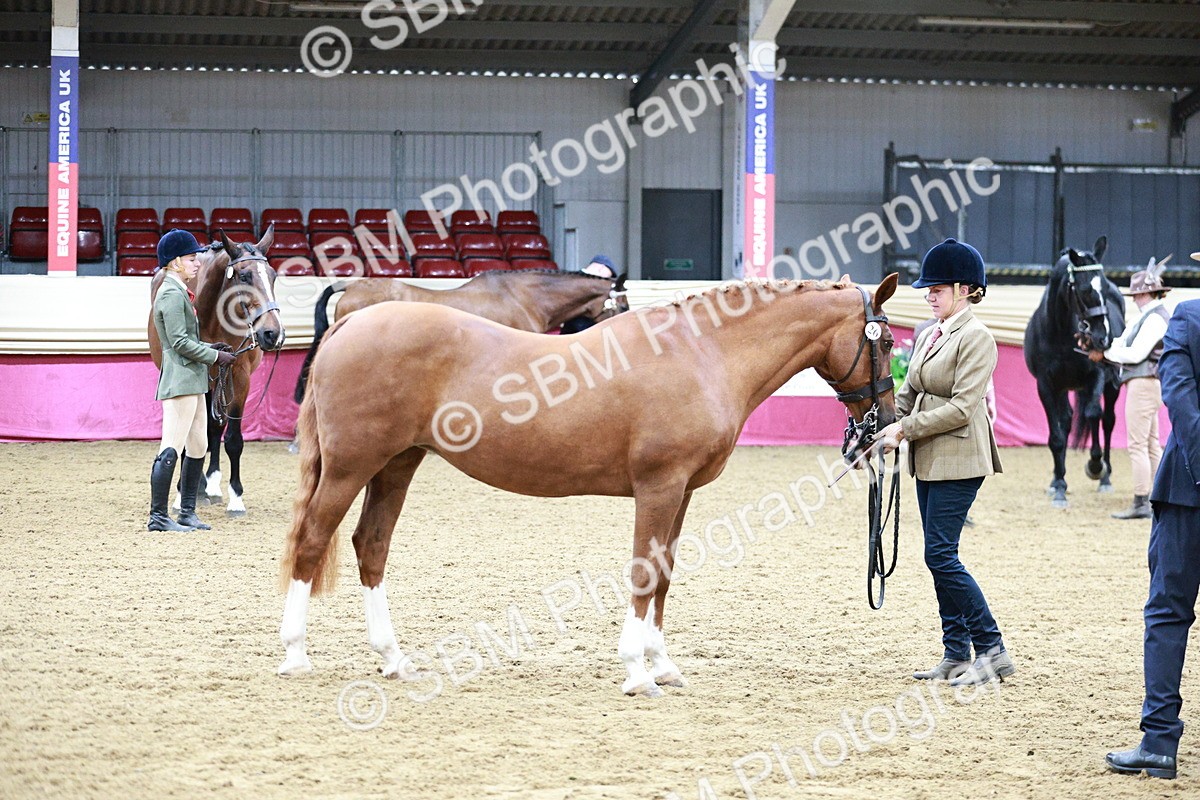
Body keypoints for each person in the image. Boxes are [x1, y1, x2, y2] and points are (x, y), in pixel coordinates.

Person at [876, 238, 1010, 686]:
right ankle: (956, 652)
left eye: (937, 288)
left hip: (960, 455)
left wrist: (904, 430)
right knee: (938, 556)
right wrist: (878, 427)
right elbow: (908, 390)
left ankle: (991, 650)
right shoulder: (931, 333)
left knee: (941, 555)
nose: (929, 295)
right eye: (928, 289)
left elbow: (961, 408)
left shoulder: (978, 338)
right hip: (930, 458)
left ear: (965, 289)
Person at [1105, 271, 1200, 781]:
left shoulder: (1189, 316)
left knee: (1167, 613)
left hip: (1188, 491)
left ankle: (1160, 742)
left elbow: (1180, 398)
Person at [148, 229, 236, 532]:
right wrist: (215, 358)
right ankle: (158, 516)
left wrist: (212, 348)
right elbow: (179, 343)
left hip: (195, 378)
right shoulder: (171, 295)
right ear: (174, 263)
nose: (197, 263)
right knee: (171, 446)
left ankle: (187, 511)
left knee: (198, 444)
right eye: (190, 258)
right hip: (181, 379)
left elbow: (188, 339)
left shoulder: (180, 291)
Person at [1082, 258, 1170, 520]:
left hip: (1143, 384)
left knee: (1138, 445)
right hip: (1148, 383)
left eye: (1136, 294)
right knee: (1151, 444)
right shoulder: (1149, 316)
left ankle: (1142, 500)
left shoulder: (1154, 319)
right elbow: (1122, 344)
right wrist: (1105, 350)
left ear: (1144, 293)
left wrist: (1105, 353)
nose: (1134, 299)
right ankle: (1158, 497)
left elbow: (1135, 353)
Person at [559, 254, 618, 335]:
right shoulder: (577, 281)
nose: (605, 281)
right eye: (607, 277)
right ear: (601, 268)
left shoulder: (571, 279)